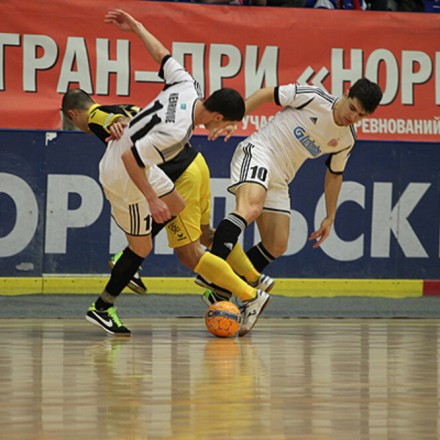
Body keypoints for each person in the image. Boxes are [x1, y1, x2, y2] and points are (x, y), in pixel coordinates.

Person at [62, 9, 272, 336]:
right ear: (216, 116)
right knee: (143, 247)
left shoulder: (188, 85)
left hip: (144, 163)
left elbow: (162, 54)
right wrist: (151, 198)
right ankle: (102, 307)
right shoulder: (174, 133)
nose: (224, 129)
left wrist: (137, 27)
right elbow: (131, 158)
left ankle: (130, 257)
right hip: (122, 173)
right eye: (227, 125)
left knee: (176, 206)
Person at [207, 78, 383, 308]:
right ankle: (213, 268)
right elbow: (265, 93)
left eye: (361, 116)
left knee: (277, 244)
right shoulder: (314, 97)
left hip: (281, 178)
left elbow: (335, 174)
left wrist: (330, 216)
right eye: (352, 108)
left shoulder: (347, 139)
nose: (353, 117)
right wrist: (235, 120)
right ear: (347, 93)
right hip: (260, 152)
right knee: (250, 208)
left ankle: (220, 292)